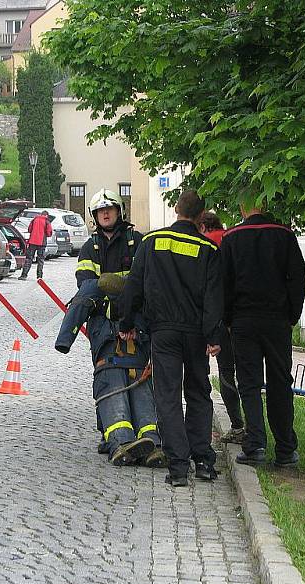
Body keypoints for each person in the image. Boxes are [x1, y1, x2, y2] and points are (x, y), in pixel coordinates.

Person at [120, 189, 223, 487]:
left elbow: (134, 285)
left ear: (176, 208)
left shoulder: (151, 241)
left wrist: (127, 322)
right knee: (198, 393)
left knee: (167, 396)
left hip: (163, 331)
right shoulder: (208, 250)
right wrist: (214, 335)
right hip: (195, 333)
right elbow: (214, 298)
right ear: (201, 216)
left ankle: (178, 467)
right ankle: (203, 460)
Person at [57, 189, 166, 468]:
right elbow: (88, 287)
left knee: (141, 379)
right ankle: (119, 440)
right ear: (94, 216)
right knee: (111, 377)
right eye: (100, 211)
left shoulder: (137, 242)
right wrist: (119, 299)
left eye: (110, 209)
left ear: (120, 212)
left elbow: (145, 283)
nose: (106, 214)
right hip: (104, 326)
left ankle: (150, 440)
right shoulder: (88, 248)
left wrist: (127, 310)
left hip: (136, 324)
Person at [221, 200, 305, 469]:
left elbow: (223, 282)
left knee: (249, 382)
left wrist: (227, 319)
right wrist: (292, 315)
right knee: (281, 382)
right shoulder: (285, 235)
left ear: (243, 208)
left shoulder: (231, 237)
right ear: (266, 204)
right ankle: (285, 448)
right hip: (277, 320)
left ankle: (255, 443)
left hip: (244, 320)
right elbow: (298, 279)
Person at [199, 211, 245, 445]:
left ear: (204, 227)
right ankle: (253, 427)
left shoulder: (207, 244)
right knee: (246, 374)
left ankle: (237, 425)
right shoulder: (232, 238)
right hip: (245, 317)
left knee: (226, 373)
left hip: (222, 321)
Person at [19, 210, 52, 280]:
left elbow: (29, 229)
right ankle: (39, 276)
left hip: (32, 242)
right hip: (42, 243)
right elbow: (49, 233)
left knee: (28, 259)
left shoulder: (34, 220)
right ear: (46, 215)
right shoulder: (46, 221)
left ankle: (24, 275)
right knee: (40, 260)